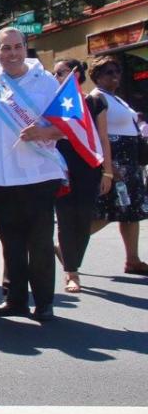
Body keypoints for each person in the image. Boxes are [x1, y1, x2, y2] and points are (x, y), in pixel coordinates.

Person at [0, 28, 65, 321]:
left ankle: (44, 302)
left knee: (39, 242)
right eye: (6, 48)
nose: (13, 53)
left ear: (26, 48)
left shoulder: (47, 82)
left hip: (39, 175)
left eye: (18, 47)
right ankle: (14, 299)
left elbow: (70, 125)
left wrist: (43, 132)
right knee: (10, 242)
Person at [50, 59, 112, 292]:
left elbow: (103, 137)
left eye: (61, 72)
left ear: (76, 74)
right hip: (61, 166)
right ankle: (71, 273)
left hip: (89, 165)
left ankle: (71, 258)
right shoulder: (53, 103)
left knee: (84, 218)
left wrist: (107, 172)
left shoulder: (95, 101)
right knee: (65, 218)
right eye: (54, 73)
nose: (56, 77)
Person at [88, 55, 148, 276]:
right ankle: (68, 249)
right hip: (116, 163)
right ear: (97, 77)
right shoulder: (96, 99)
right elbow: (95, 134)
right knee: (106, 213)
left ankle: (133, 260)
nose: (115, 76)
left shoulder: (116, 98)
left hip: (129, 162)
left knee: (131, 212)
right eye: (108, 72)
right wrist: (109, 166)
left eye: (117, 72)